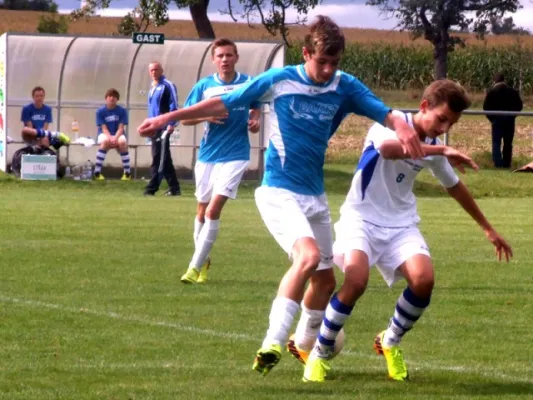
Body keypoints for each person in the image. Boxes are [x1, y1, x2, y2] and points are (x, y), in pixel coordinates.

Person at [138, 15, 425, 377]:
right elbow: (223, 104)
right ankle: (271, 341)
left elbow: (387, 114)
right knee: (306, 259)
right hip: (278, 191)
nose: (327, 70)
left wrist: (403, 127)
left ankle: (303, 344)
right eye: (321, 61)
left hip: (315, 197)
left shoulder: (344, 86)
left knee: (325, 281)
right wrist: (169, 118)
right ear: (306, 54)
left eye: (334, 63)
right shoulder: (280, 80)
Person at [303, 80, 513, 383]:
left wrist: (488, 229)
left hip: (401, 224)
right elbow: (388, 150)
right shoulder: (392, 122)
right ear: (424, 106)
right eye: (441, 119)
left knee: (424, 280)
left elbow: (454, 187)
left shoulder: (433, 148)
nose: (444, 127)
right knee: (357, 280)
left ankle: (389, 340)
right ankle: (321, 354)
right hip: (360, 219)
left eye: (450, 123)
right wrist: (440, 148)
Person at [179, 38, 261, 284]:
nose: (225, 59)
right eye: (220, 56)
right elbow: (185, 119)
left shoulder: (249, 83)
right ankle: (203, 261)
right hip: (207, 155)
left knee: (214, 210)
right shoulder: (204, 86)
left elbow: (255, 107)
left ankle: (193, 269)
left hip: (236, 154)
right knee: (202, 211)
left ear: (236, 57)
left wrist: (254, 120)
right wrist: (207, 115)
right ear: (213, 60)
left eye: (229, 55)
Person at [143, 61, 181, 196]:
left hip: (164, 127)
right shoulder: (152, 87)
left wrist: (171, 123)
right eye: (151, 70)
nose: (153, 72)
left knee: (158, 156)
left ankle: (151, 188)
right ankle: (174, 188)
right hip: (154, 127)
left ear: (161, 70)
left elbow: (174, 107)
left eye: (156, 69)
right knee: (164, 157)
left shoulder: (167, 86)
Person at [483, 73, 523, 168]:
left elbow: (486, 108)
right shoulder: (512, 92)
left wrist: (492, 118)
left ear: (494, 81)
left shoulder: (492, 92)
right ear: (504, 80)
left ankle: (498, 164)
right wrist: (512, 116)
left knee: (496, 143)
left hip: (496, 121)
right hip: (509, 121)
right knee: (508, 143)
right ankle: (506, 163)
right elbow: (519, 106)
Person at [94, 88, 131, 180]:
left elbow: (121, 128)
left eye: (114, 97)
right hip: (104, 134)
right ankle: (97, 172)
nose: (112, 98)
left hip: (118, 134)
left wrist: (115, 138)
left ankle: (127, 173)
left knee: (122, 142)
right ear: (106, 98)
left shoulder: (122, 111)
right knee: (105, 141)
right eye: (110, 96)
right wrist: (111, 137)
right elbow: (104, 128)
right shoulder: (100, 111)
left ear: (117, 99)